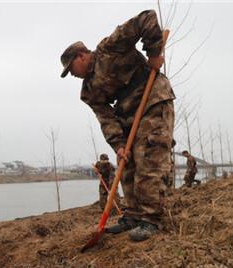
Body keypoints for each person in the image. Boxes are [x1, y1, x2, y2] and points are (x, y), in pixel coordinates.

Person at [60, 10, 174, 242]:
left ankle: (152, 219)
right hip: (127, 116)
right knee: (128, 162)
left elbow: (147, 18)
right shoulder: (88, 91)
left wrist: (153, 53)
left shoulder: (110, 47)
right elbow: (106, 118)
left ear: (81, 56)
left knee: (149, 158)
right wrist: (119, 144)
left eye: (71, 68)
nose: (71, 74)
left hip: (152, 99)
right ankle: (132, 215)